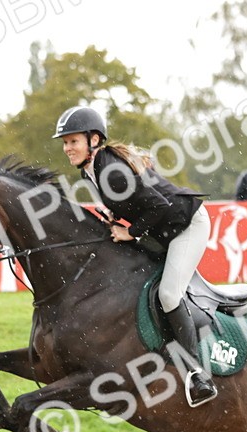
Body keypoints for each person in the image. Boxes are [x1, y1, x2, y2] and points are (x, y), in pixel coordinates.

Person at [53, 105, 217, 407]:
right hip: (164, 229)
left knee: (169, 295)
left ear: (93, 140)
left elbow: (157, 205)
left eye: (72, 141)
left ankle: (197, 374)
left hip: (187, 225)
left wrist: (131, 233)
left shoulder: (109, 168)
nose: (67, 148)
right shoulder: (91, 171)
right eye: (65, 142)